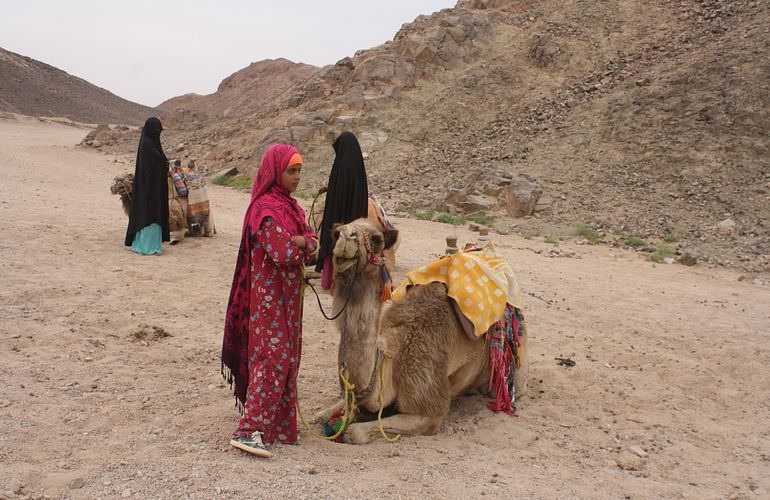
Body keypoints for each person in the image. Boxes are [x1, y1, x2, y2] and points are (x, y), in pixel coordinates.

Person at [221, 144, 318, 457]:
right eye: (291, 171)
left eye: (299, 170)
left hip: (289, 299)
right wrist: (302, 243)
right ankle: (248, 430)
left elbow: (310, 243)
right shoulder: (265, 210)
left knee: (289, 357)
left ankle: (277, 427)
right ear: (276, 172)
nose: (297, 177)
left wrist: (302, 242)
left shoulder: (290, 207)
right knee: (272, 358)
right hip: (269, 299)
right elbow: (283, 251)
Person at [314, 131, 369, 289]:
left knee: (336, 241)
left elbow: (338, 193)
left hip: (338, 216)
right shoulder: (358, 165)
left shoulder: (341, 165)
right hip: (355, 215)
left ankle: (330, 281)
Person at [124, 117, 170, 254]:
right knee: (149, 215)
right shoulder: (147, 145)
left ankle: (153, 246)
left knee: (154, 214)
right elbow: (156, 163)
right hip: (148, 189)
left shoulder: (152, 143)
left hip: (154, 188)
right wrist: (164, 164)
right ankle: (146, 246)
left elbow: (161, 160)